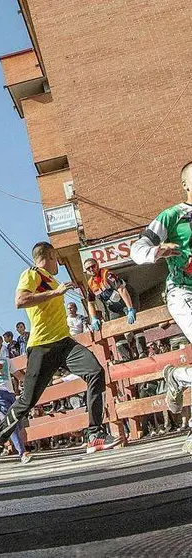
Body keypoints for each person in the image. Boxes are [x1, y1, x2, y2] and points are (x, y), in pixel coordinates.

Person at [0, 242, 120, 469]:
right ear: (48, 255)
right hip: (42, 348)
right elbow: (20, 301)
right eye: (56, 258)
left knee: (95, 371)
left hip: (64, 344)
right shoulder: (32, 274)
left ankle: (94, 434)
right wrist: (55, 293)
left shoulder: (54, 280)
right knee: (27, 402)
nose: (58, 262)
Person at [130, 161, 192, 455]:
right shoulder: (172, 216)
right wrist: (158, 250)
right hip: (182, 292)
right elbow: (137, 249)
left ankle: (178, 377)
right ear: (185, 186)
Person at [0, 335, 32, 464]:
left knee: (17, 422)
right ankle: (22, 453)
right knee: (10, 421)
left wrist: (31, 382)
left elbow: (18, 375)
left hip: (10, 392)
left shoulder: (7, 360)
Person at [82, 257, 137, 329]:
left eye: (93, 266)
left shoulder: (107, 275)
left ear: (97, 265)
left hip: (129, 299)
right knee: (114, 328)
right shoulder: (90, 284)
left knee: (135, 324)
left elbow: (121, 289)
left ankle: (139, 337)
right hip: (113, 307)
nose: (91, 269)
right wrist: (93, 318)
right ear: (86, 271)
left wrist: (130, 308)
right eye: (88, 268)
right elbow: (90, 303)